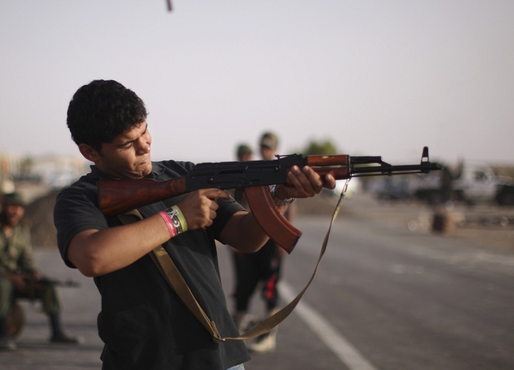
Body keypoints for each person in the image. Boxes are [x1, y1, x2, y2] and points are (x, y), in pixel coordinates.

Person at [54, 80, 334, 370]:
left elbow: (246, 238)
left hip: (220, 357)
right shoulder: (82, 197)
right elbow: (92, 256)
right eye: (127, 143)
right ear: (90, 152)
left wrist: (280, 196)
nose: (144, 145)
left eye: (145, 131)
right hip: (143, 361)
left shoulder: (183, 174)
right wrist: (179, 218)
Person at [0, 192, 83, 350]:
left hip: (12, 279)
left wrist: (32, 275)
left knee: (46, 284)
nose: (15, 212)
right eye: (12, 207)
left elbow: (27, 259)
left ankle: (57, 333)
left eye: (19, 208)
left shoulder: (21, 230)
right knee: (2, 286)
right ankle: (2, 336)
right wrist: (12, 277)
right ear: (3, 207)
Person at [230, 132, 292, 354]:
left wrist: (281, 240)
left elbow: (289, 206)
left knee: (269, 289)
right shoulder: (252, 171)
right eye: (263, 147)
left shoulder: (282, 172)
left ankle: (270, 335)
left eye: (269, 147)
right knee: (243, 288)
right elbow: (238, 203)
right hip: (250, 238)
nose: (266, 151)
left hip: (271, 241)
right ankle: (234, 334)